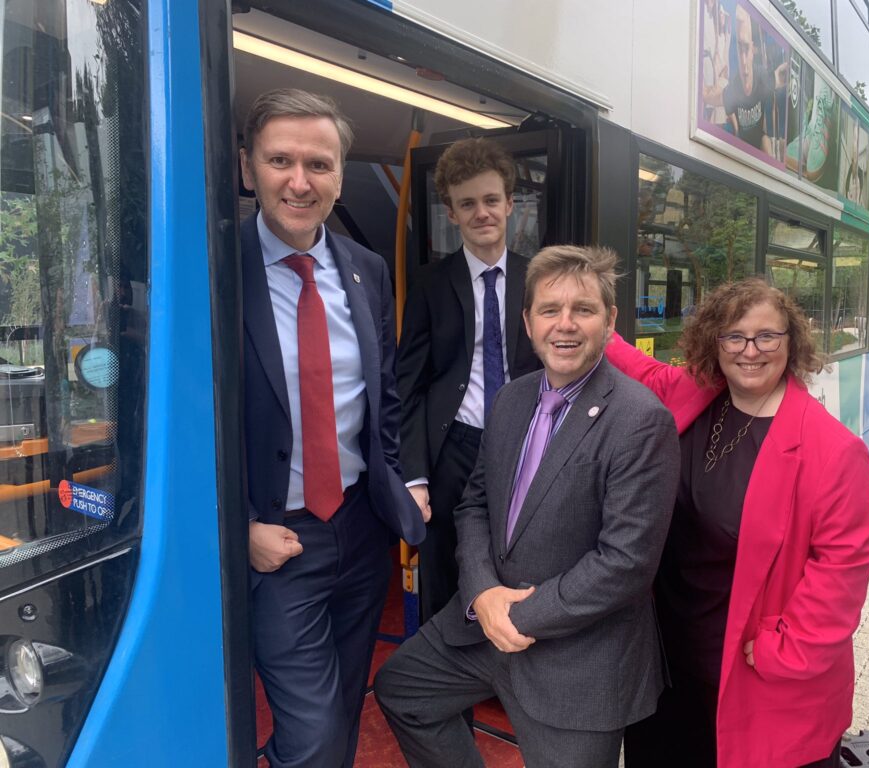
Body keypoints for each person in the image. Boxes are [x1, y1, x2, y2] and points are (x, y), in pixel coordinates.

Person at [375, 245, 679, 768]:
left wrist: (516, 614)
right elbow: (473, 505)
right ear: (527, 322)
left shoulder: (640, 420)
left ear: (609, 320)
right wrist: (483, 594)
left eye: (582, 309)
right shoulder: (511, 399)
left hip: (577, 655)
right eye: (549, 310)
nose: (565, 324)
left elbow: (625, 563)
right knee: (404, 690)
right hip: (484, 625)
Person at [610, 278, 869, 768]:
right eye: (734, 336)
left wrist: (784, 652)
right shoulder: (697, 393)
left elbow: (843, 570)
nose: (750, 351)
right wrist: (593, 326)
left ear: (791, 341)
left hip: (755, 677)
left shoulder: (835, 452)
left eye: (766, 336)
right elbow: (645, 372)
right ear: (714, 343)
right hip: (668, 665)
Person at [239, 88, 425, 768]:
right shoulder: (212, 271)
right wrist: (237, 528)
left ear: (340, 175)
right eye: (280, 160)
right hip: (275, 540)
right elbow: (180, 421)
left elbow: (386, 396)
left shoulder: (366, 270)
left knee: (344, 710)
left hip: (360, 529)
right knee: (314, 735)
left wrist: (397, 484)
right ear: (248, 166)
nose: (299, 181)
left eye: (319, 164)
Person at [397, 137, 540, 624]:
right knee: (445, 570)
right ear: (451, 213)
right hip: (454, 450)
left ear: (509, 204)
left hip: (527, 445)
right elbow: (408, 386)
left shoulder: (538, 279)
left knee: (519, 565)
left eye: (491, 200)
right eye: (467, 204)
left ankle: (509, 683)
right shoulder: (429, 285)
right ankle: (448, 694)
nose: (482, 212)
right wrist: (414, 478)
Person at [723, 5, 787, 155]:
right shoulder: (732, 89)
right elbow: (728, 112)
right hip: (741, 142)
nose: (744, 61)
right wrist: (737, 131)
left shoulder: (762, 78)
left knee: (766, 144)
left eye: (747, 49)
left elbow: (779, 76)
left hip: (759, 138)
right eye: (740, 50)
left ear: (753, 49)